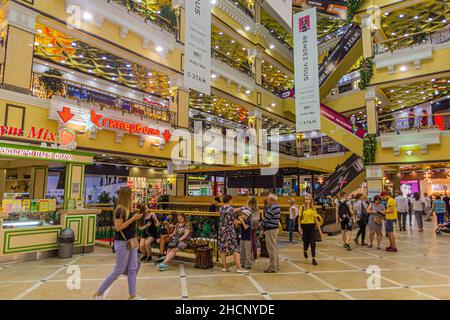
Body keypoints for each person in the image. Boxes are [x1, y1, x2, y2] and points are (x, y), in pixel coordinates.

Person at [94, 187, 143, 300]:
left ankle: (132, 295)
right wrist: (132, 219)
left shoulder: (127, 209)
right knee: (119, 270)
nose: (133, 196)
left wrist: (134, 218)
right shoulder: (120, 210)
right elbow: (118, 227)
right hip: (122, 243)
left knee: (132, 268)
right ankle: (99, 293)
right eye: (131, 194)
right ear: (127, 196)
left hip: (131, 242)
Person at [217, 195, 247, 273]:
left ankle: (225, 267)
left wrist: (240, 208)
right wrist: (241, 221)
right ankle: (239, 268)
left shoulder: (221, 208)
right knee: (234, 249)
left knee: (222, 249)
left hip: (221, 230)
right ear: (229, 200)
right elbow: (234, 221)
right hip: (229, 231)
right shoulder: (231, 209)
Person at [298, 194, 323, 265]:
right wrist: (299, 227)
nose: (307, 200)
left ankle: (313, 258)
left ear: (310, 200)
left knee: (313, 243)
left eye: (308, 199)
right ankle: (305, 250)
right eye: (306, 199)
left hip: (312, 226)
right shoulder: (301, 208)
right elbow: (299, 219)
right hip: (304, 227)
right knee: (305, 243)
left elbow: (316, 220)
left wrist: (320, 230)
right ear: (304, 200)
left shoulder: (313, 208)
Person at [261, 194, 281, 273]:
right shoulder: (277, 206)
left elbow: (265, 219)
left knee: (271, 249)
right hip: (274, 229)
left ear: (272, 200)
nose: (267, 201)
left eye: (268, 199)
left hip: (270, 230)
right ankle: (276, 265)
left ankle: (272, 267)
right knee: (274, 248)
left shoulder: (272, 208)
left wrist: (261, 224)